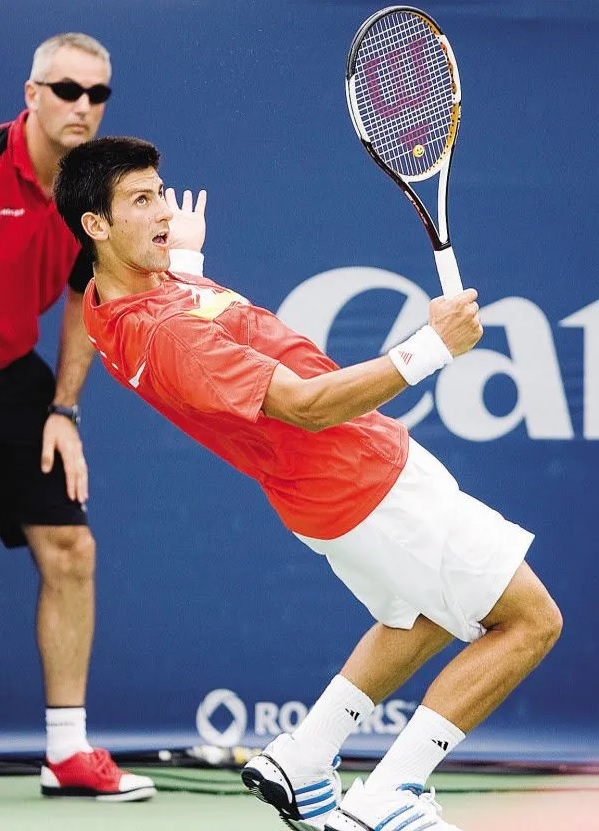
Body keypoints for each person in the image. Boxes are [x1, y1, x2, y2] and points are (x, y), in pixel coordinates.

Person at [54, 135, 562, 831]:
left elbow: (188, 317)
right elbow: (305, 404)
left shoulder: (113, 301)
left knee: (421, 613)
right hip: (362, 477)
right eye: (140, 202)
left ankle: (305, 753)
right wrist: (431, 346)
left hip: (323, 496)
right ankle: (392, 790)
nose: (163, 212)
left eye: (161, 192)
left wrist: (189, 266)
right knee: (530, 620)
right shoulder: (163, 331)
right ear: (95, 225)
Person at [0, 34, 178, 801]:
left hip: (12, 375)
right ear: (31, 93)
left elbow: (82, 297)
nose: (82, 106)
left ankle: (67, 752)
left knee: (71, 547)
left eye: (96, 94)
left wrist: (64, 407)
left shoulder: (86, 195)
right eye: (65, 89)